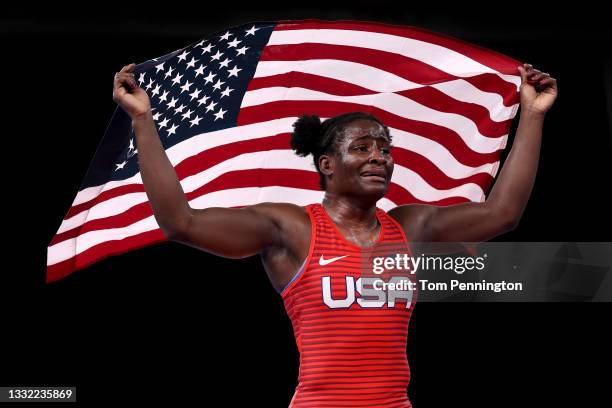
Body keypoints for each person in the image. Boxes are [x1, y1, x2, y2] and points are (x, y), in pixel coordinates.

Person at [113, 62, 557, 407]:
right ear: (326, 165)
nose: (378, 158)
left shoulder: (410, 227)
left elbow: (502, 213)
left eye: (385, 149)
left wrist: (533, 115)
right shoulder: (291, 227)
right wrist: (142, 121)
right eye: (362, 148)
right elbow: (180, 222)